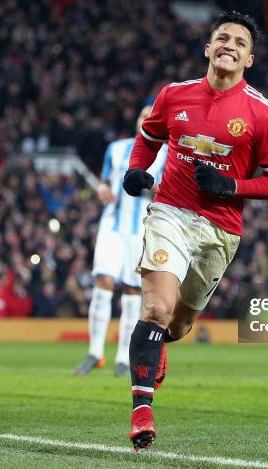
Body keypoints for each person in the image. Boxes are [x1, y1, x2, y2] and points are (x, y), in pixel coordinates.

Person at [122, 11, 268, 451]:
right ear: (208, 48)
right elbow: (150, 135)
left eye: (239, 42)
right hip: (170, 214)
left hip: (221, 230)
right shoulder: (173, 95)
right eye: (222, 38)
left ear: (248, 59)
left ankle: (159, 349)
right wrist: (136, 170)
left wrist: (232, 185)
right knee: (156, 310)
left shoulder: (264, 113)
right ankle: (142, 413)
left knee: (177, 326)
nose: (229, 45)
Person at [74, 100, 167, 377]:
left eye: (151, 116)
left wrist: (148, 185)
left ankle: (123, 359)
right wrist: (102, 189)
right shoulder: (116, 149)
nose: (145, 119)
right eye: (142, 114)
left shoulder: (166, 154)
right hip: (111, 226)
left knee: (131, 290)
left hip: (141, 229)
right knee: (103, 281)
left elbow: (165, 191)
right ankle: (94, 352)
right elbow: (104, 180)